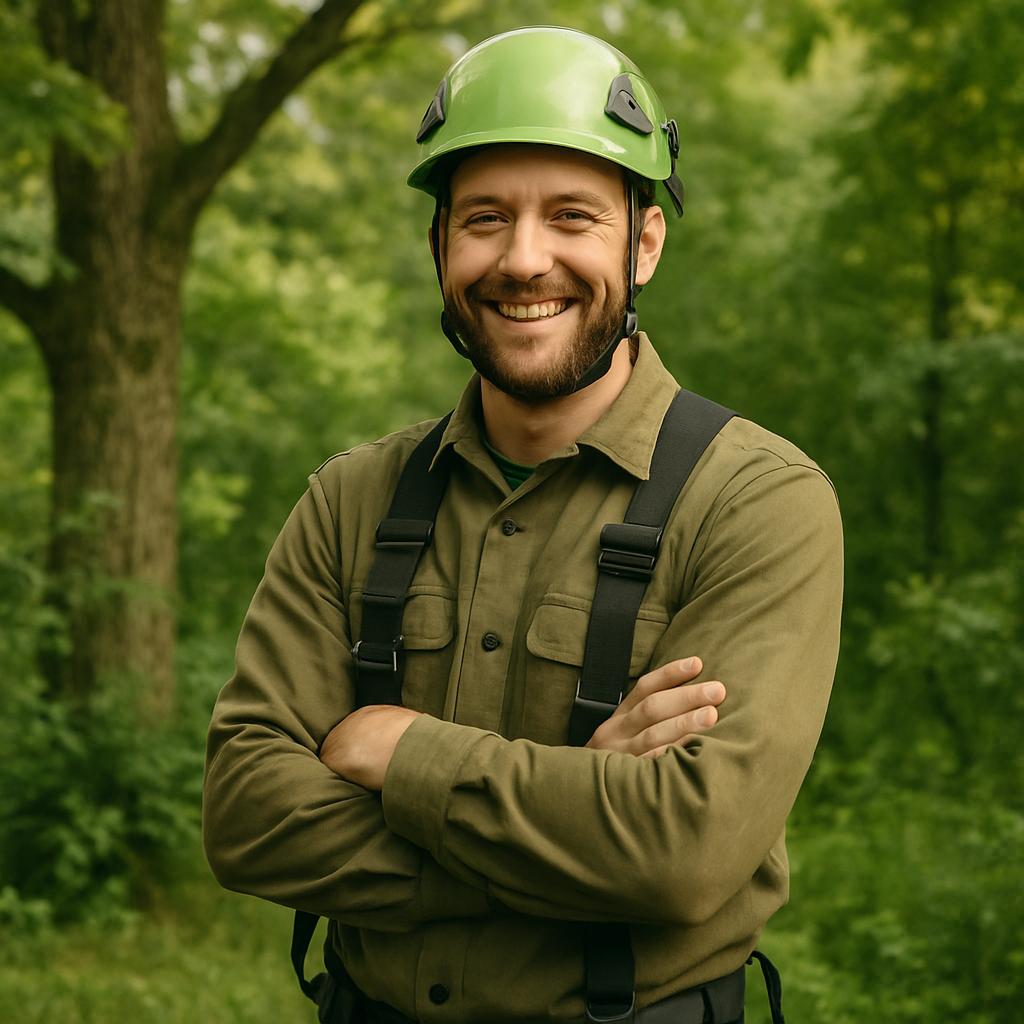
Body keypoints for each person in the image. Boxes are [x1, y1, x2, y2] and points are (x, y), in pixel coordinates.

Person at [203, 25, 843, 1024]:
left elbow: (684, 854)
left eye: (572, 216)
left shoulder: (757, 500)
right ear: (439, 246)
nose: (523, 260)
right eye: (484, 219)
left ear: (644, 242)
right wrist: (579, 809)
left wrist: (400, 750)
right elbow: (247, 815)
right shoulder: (351, 498)